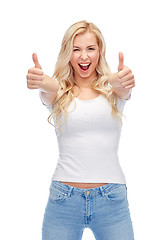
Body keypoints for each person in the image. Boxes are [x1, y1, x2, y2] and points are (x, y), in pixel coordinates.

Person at [26, 20, 135, 240]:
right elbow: (50, 88)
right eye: (76, 50)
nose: (84, 56)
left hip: (112, 199)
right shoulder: (58, 92)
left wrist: (119, 78)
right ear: (68, 54)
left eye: (90, 49)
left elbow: (120, 86)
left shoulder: (113, 91)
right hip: (64, 200)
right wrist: (41, 81)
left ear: (99, 51)